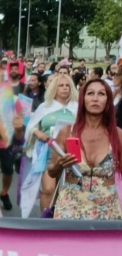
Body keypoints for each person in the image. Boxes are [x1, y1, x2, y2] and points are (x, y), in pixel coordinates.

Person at [48, 79, 122, 220]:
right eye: (90, 93)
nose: (95, 98)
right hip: (70, 206)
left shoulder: (117, 135)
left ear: (108, 100)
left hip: (107, 209)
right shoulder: (67, 131)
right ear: (83, 99)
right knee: (67, 242)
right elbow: (51, 171)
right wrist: (60, 164)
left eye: (101, 94)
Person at [21, 74, 78, 215]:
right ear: (54, 88)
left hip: (71, 155)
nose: (65, 88)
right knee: (48, 190)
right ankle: (45, 222)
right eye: (61, 85)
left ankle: (58, 219)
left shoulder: (77, 108)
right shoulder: (45, 107)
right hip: (48, 153)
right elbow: (31, 126)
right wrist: (37, 132)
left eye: (67, 86)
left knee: (65, 190)